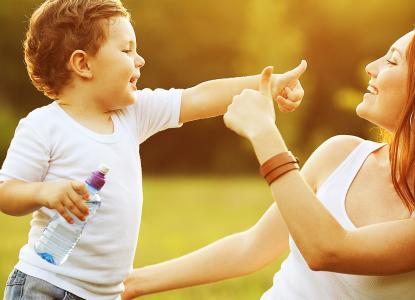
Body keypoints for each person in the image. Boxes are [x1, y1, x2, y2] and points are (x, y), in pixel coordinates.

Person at [122, 16, 415, 300]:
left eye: (392, 61)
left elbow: (327, 251)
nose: (371, 66)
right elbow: (251, 248)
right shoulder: (342, 155)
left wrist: (265, 134)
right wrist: (132, 283)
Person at [0, 0, 306, 299]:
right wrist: (44, 193)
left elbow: (198, 98)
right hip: (45, 286)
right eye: (126, 49)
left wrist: (270, 83)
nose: (140, 60)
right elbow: (6, 192)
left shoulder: (132, 114)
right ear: (83, 64)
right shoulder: (43, 126)